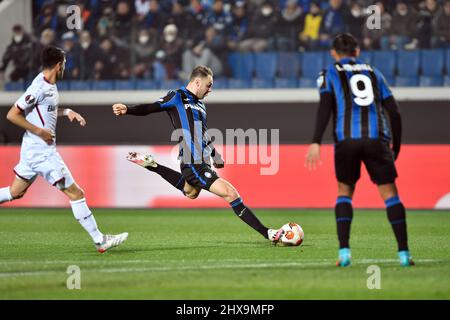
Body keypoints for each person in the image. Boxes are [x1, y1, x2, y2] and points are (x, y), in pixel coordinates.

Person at [112, 65, 282, 242]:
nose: (210, 89)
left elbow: (204, 133)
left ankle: (153, 165)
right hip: (192, 161)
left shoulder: (201, 105)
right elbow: (152, 107)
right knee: (231, 193)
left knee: (191, 192)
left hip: (203, 160)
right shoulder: (177, 96)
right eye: (209, 85)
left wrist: (215, 155)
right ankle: (268, 233)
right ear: (197, 82)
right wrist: (128, 109)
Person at [0, 46, 128, 253]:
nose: (65, 68)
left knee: (15, 192)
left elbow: (46, 110)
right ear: (59, 65)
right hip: (42, 153)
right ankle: (99, 240)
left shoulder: (49, 85)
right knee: (76, 193)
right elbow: (12, 114)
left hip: (31, 151)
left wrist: (67, 111)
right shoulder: (39, 88)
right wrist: (40, 132)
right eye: (65, 64)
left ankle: (99, 239)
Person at [305, 33, 414, 267]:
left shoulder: (330, 73)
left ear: (334, 53)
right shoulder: (374, 72)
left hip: (347, 141)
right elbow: (394, 112)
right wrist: (397, 145)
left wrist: (316, 140)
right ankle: (404, 254)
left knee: (344, 192)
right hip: (377, 139)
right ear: (357, 52)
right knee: (390, 195)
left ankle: (344, 253)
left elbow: (325, 108)